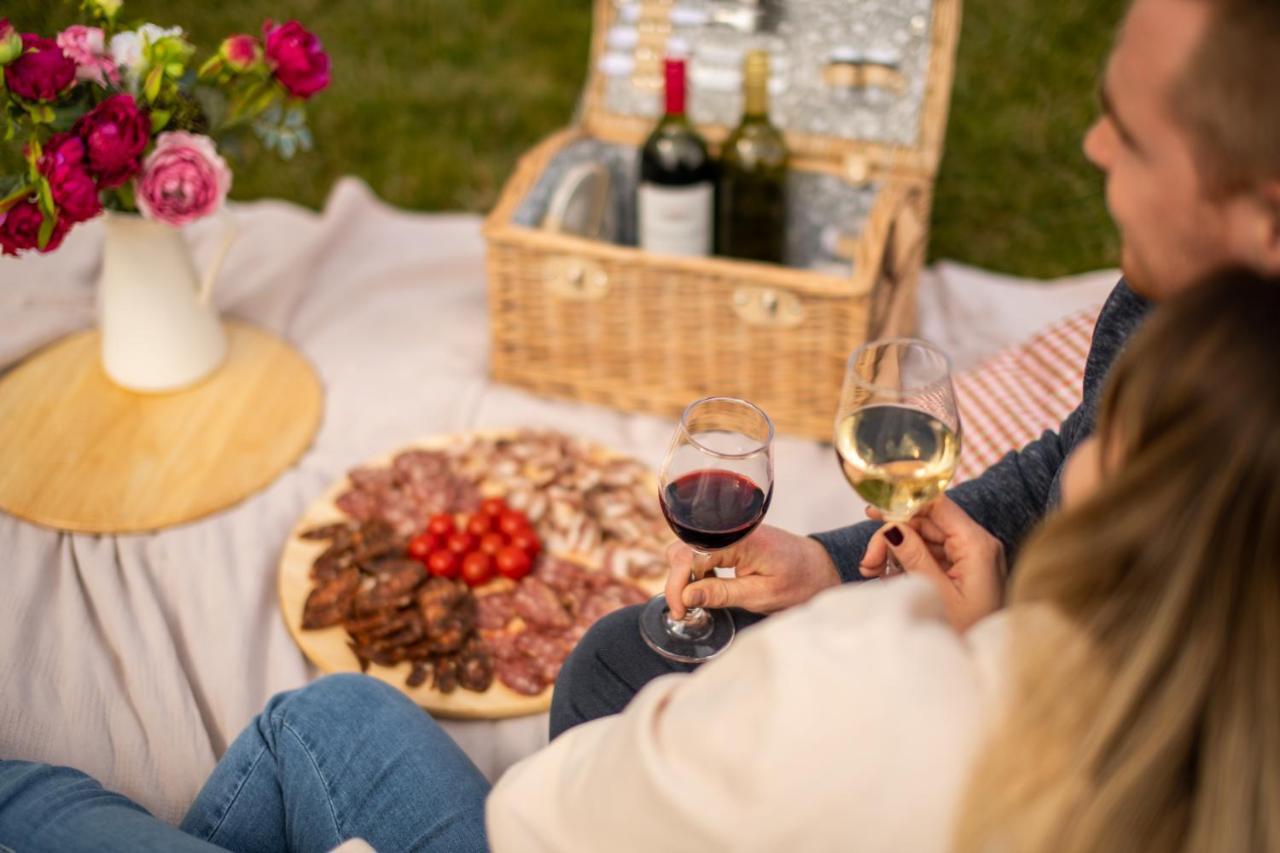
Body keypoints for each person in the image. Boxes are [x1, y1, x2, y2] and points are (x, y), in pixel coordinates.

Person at [4, 271, 1276, 851]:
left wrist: (897, 636)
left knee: (51, 797)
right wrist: (867, 581)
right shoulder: (1204, 756)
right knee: (340, 711)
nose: (1074, 444)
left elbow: (538, 821)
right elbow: (1032, 489)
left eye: (1114, 430)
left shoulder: (884, 696)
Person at [548, 0, 1280, 738]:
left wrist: (971, 661)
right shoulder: (1174, 299)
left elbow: (1154, 779)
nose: (1093, 146)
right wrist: (829, 571)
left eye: (1132, 136)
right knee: (615, 666)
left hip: (1027, 741)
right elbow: (1062, 473)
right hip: (998, 654)